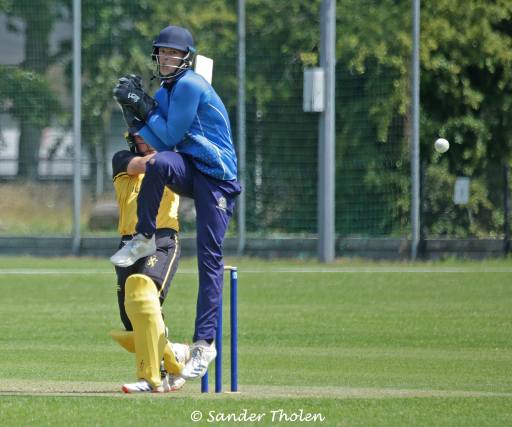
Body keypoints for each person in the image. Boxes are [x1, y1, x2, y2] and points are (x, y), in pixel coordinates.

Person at [110, 24, 241, 380]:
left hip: (217, 179)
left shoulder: (190, 86)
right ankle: (145, 237)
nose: (167, 58)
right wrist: (135, 114)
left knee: (209, 259)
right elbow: (162, 147)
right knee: (159, 164)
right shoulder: (166, 93)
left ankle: (204, 345)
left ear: (186, 57)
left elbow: (169, 134)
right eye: (163, 52)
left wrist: (144, 106)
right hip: (191, 169)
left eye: (174, 53)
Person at [108, 128, 190, 393]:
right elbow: (143, 165)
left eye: (150, 134)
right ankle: (174, 355)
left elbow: (166, 166)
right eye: (140, 135)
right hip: (128, 244)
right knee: (132, 324)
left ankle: (149, 377)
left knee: (144, 298)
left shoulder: (171, 162)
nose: (144, 139)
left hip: (161, 239)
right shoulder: (122, 160)